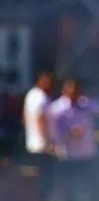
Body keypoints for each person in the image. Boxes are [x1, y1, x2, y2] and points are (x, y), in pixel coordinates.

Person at [48, 79, 99, 201]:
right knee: (69, 190)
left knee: (93, 189)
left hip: (87, 153)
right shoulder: (57, 109)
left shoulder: (84, 104)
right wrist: (71, 134)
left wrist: (85, 100)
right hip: (69, 155)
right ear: (64, 91)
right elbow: (54, 135)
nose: (74, 94)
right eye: (71, 91)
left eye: (76, 91)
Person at [23, 70, 55, 200]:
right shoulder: (41, 97)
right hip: (42, 145)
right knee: (46, 178)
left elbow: (24, 117)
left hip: (34, 142)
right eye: (47, 81)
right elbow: (40, 119)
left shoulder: (31, 94)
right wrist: (47, 141)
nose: (50, 85)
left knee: (40, 176)